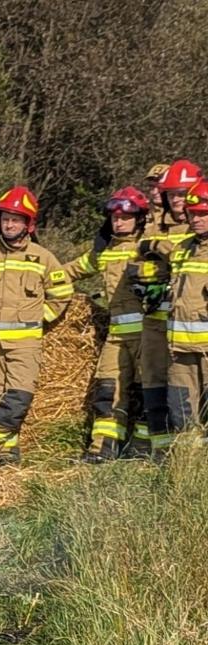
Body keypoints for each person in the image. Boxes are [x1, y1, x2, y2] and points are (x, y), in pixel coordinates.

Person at [0, 186, 67, 465]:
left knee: (17, 399)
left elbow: (62, 291)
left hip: (24, 343)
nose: (9, 224)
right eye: (5, 218)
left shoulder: (43, 257)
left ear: (28, 224)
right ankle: (4, 456)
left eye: (15, 219)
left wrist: (38, 317)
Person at [66, 188, 153, 461]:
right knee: (107, 388)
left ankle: (143, 449)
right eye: (114, 216)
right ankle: (102, 448)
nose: (119, 222)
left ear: (139, 218)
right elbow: (69, 270)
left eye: (126, 216)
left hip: (148, 335)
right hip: (116, 336)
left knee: (145, 391)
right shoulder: (104, 252)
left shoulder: (148, 247)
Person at [140, 160, 202, 454]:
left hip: (197, 336)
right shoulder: (154, 222)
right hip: (165, 324)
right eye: (171, 195)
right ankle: (165, 455)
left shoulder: (192, 230)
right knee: (162, 387)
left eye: (182, 194)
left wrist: (156, 246)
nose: (177, 201)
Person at [164, 181, 208, 435]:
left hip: (205, 350)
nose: (197, 219)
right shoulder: (182, 249)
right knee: (181, 411)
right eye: (193, 214)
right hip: (179, 349)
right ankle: (186, 468)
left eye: (203, 214)